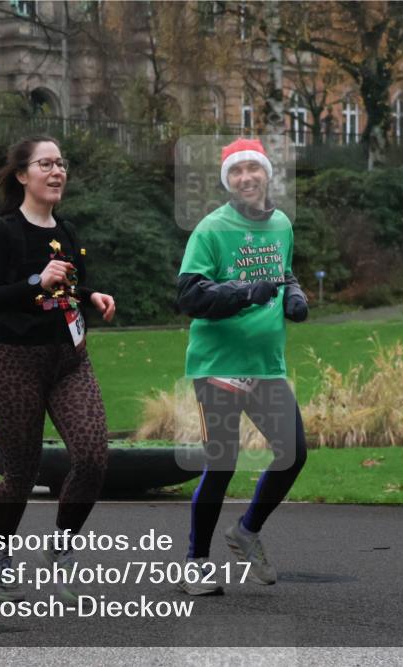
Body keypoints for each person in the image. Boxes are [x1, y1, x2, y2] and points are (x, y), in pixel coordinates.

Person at [0, 135, 116, 601]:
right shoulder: (3, 233)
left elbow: (74, 284)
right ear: (22, 175)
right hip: (16, 361)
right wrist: (35, 280)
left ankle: (61, 546)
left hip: (70, 361)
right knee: (20, 472)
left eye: (61, 164)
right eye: (46, 164)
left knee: (94, 456)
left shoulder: (67, 231)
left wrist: (91, 296)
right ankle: (0, 556)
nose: (57, 172)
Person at [175, 138, 309, 596]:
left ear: (268, 175)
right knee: (223, 463)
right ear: (227, 181)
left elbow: (283, 270)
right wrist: (242, 292)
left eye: (253, 169)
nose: (246, 178)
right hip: (218, 364)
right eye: (236, 172)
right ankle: (195, 564)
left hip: (266, 364)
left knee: (293, 453)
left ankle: (246, 531)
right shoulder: (211, 229)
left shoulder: (282, 225)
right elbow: (189, 296)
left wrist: (293, 293)